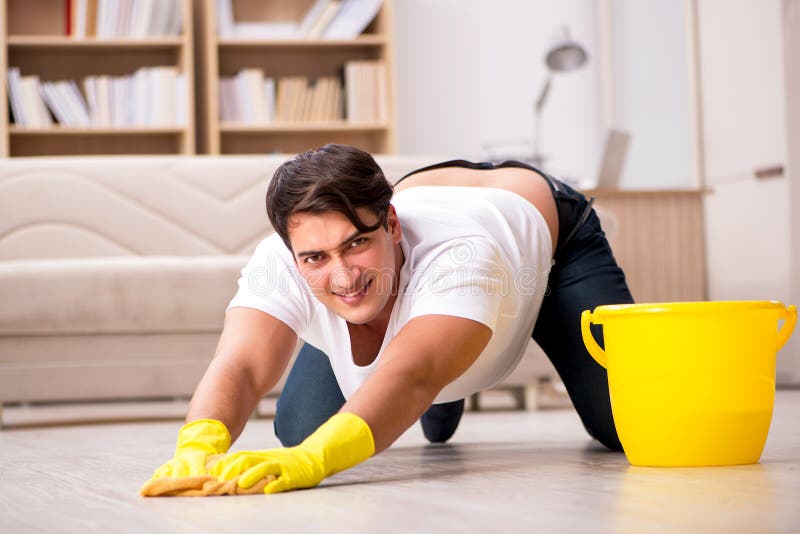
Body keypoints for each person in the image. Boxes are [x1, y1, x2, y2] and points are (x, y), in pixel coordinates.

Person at [141, 144, 634, 496]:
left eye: (356, 243)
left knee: (626, 428)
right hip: (436, 210)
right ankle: (449, 358)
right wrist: (199, 443)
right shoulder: (284, 257)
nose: (343, 275)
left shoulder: (461, 258)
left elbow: (413, 373)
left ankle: (465, 350)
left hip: (546, 237)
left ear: (391, 226)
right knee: (300, 430)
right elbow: (242, 363)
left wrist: (315, 463)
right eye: (315, 258)